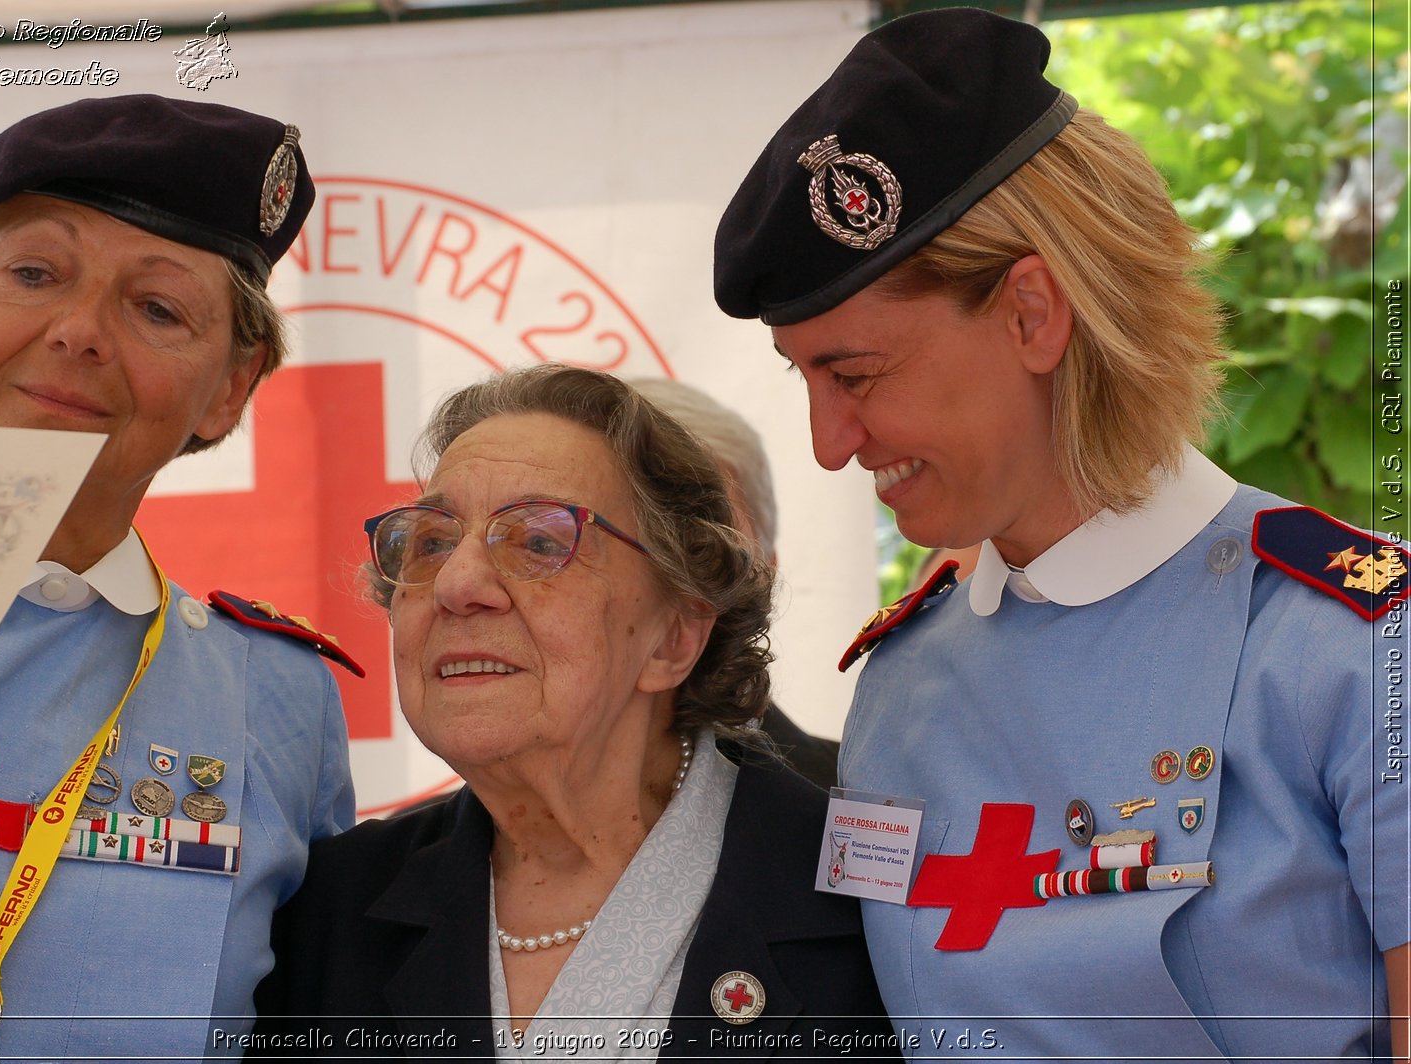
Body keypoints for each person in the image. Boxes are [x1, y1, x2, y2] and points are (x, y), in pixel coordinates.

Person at [713, 8, 1408, 1062]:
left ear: (1033, 312)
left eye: (852, 374)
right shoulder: (901, 685)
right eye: (803, 379)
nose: (826, 443)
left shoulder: (1356, 645)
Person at [0, 95, 358, 1061]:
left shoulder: (279, 693)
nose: (79, 331)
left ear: (231, 387)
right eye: (34, 272)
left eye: (156, 307)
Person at [252, 364, 889, 1058]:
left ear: (675, 634)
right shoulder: (329, 914)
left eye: (540, 541)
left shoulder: (865, 903)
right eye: (432, 542)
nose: (459, 584)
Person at [627, 376, 840, 789]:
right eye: (637, 529)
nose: (668, 563)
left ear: (766, 570)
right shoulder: (473, 821)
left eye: (702, 529)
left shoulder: (857, 800)